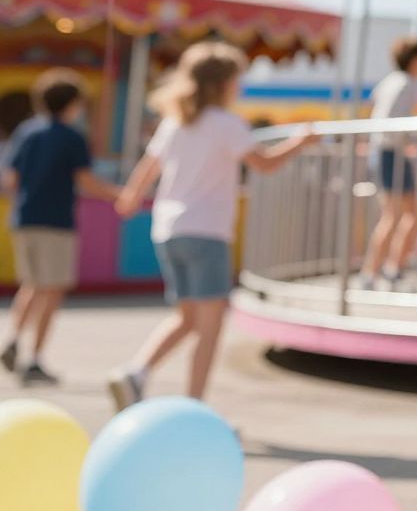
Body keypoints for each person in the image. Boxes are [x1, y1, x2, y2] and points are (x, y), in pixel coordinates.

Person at [108, 43, 312, 410]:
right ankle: (195, 406)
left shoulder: (175, 123)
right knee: (210, 326)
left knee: (187, 318)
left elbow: (147, 170)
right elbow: (264, 164)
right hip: (207, 231)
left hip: (168, 230)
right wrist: (301, 142)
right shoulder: (227, 124)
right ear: (224, 83)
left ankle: (136, 372)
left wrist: (131, 197)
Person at [0, 70, 121, 384]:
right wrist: (120, 196)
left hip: (24, 219)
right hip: (55, 222)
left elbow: (11, 179)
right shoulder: (72, 137)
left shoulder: (26, 132)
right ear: (73, 104)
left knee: (32, 284)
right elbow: (86, 180)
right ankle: (35, 359)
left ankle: (13, 340)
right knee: (52, 290)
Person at [359, 37, 417, 290]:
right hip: (391, 153)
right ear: (416, 59)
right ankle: (376, 271)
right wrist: (414, 137)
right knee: (396, 215)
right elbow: (391, 123)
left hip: (389, 152)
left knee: (410, 213)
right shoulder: (404, 83)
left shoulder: (393, 82)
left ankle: (389, 268)